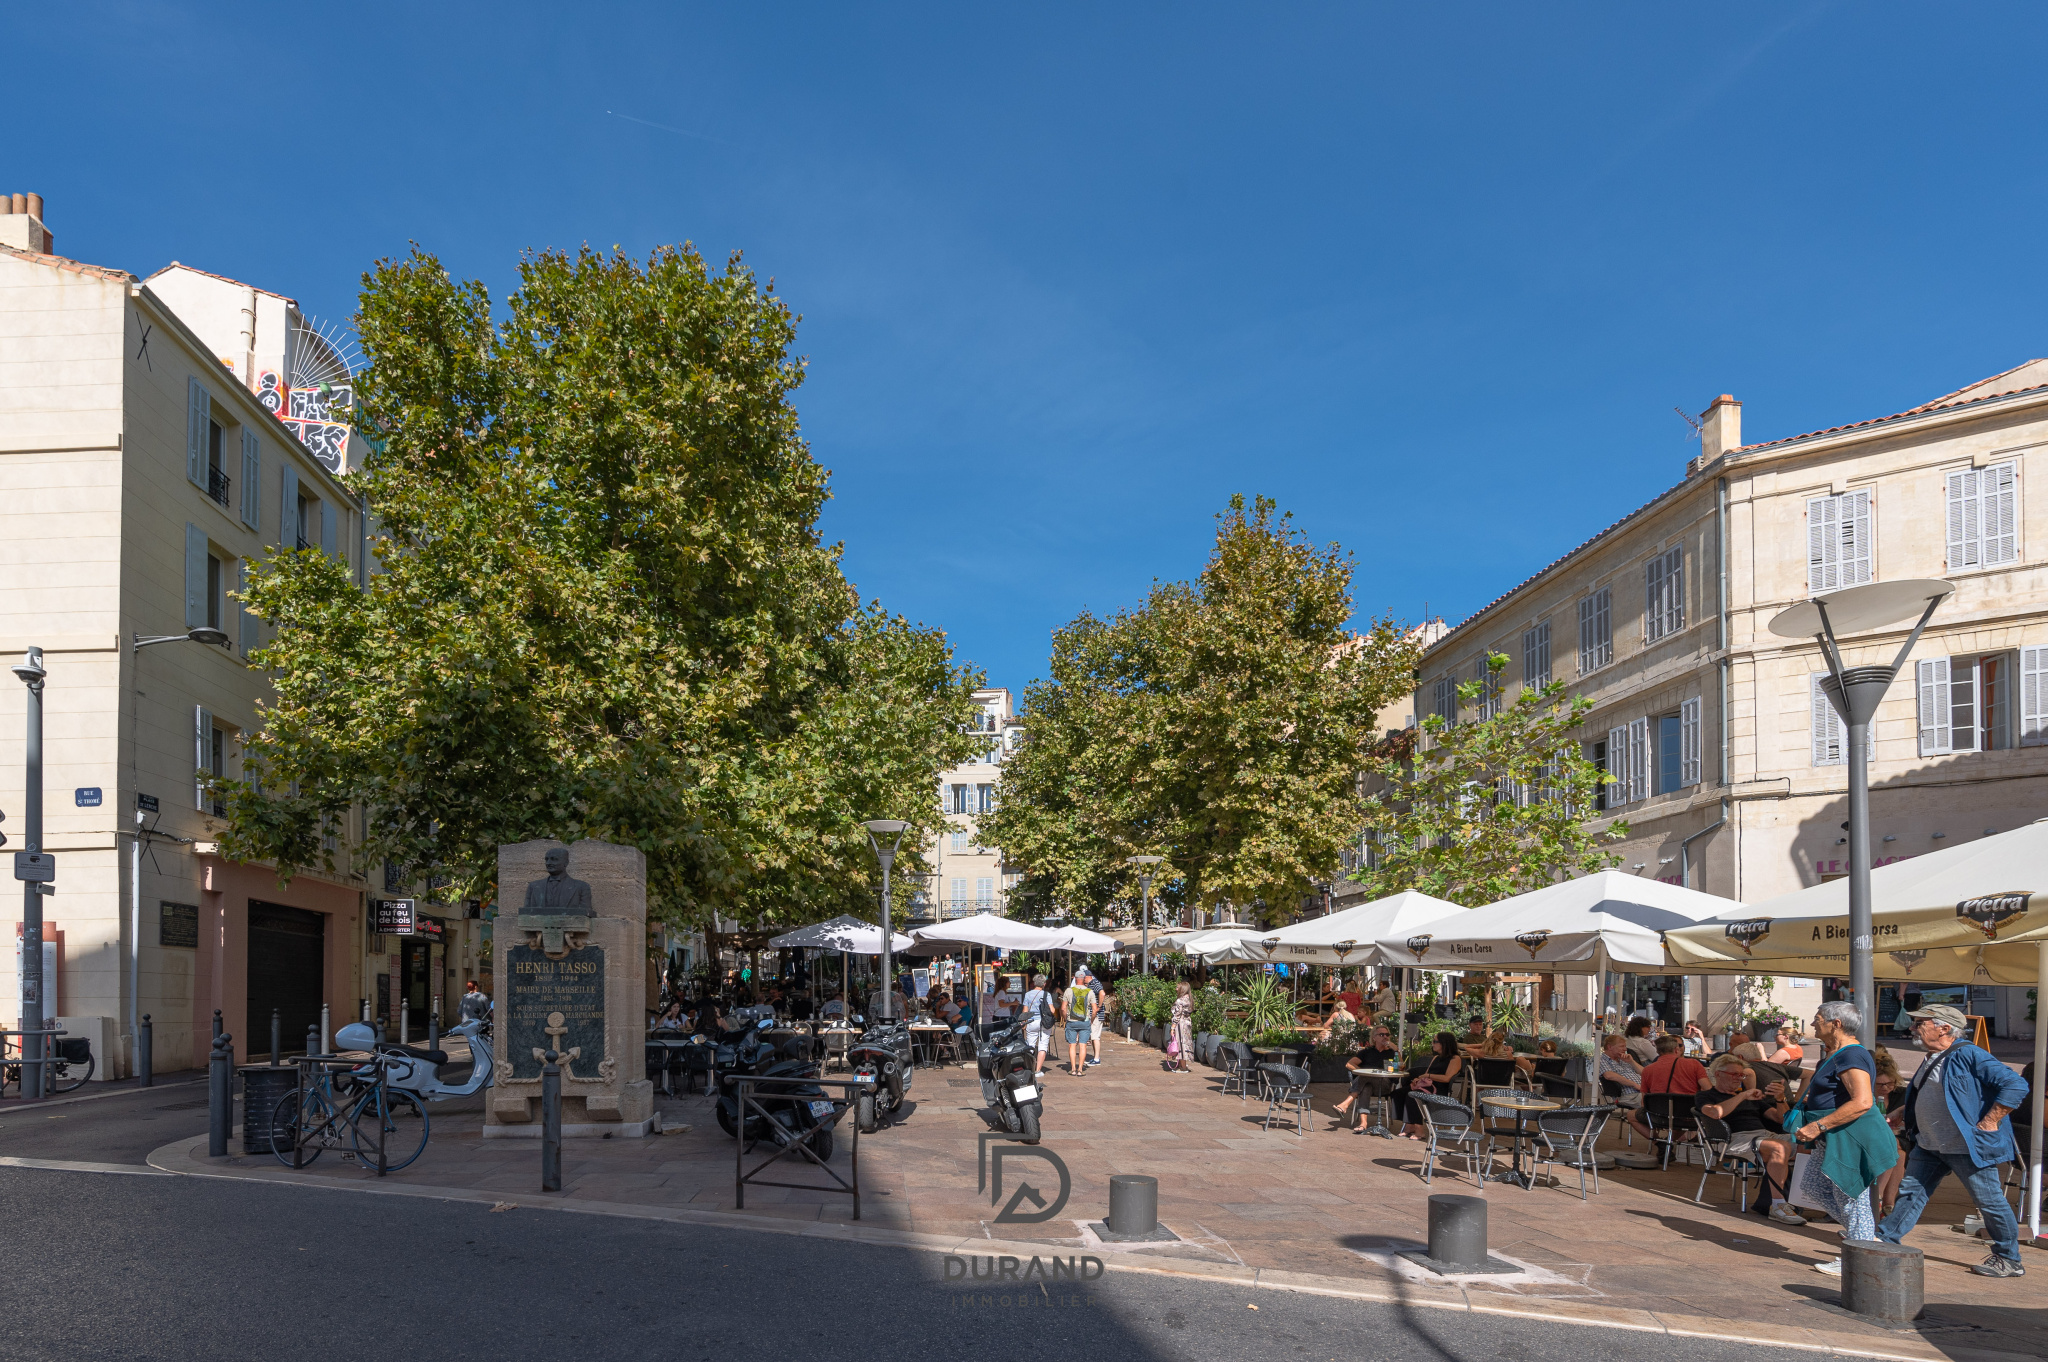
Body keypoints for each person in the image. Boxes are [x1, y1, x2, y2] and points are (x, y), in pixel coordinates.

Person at [1876, 1003, 2032, 1279]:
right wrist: (1904, 1111)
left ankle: (2009, 1258)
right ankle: (1884, 1240)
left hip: (1966, 1146)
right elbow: (1933, 1093)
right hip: (1931, 1143)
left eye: (1920, 1023)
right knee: (1911, 1193)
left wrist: (1991, 1120)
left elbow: (2016, 1085)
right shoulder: (1931, 1056)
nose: (1913, 1028)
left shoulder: (1969, 1053)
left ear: (1944, 1028)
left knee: (1989, 1201)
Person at [1787, 1001, 1896, 1279]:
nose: (1813, 1024)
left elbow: (1862, 1101)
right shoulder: (1834, 1054)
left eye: (1818, 1019)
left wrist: (1819, 1126)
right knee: (1813, 1186)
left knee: (1850, 1196)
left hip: (1849, 1135)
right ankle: (1865, 1239)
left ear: (1836, 1024)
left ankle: (1857, 1256)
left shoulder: (1851, 1055)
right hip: (1834, 1135)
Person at [1695, 1059, 1802, 1224]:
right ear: (1718, 1074)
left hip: (1763, 1135)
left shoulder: (1752, 1097)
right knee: (1779, 1148)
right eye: (1734, 1074)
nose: (1738, 1078)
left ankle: (1802, 1200)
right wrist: (1743, 1095)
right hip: (1734, 1139)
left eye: (1741, 1075)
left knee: (1810, 1145)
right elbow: (1715, 1113)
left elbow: (1780, 1119)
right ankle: (1778, 1205)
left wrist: (1780, 1098)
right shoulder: (1706, 1095)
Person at [1633, 1034, 1711, 1144]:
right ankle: (1669, 1142)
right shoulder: (1694, 1064)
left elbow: (1644, 1101)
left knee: (1631, 1116)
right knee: (1681, 1111)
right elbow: (1709, 1089)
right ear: (1676, 1049)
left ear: (1658, 1051)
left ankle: (1659, 1143)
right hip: (1689, 1117)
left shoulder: (1648, 1070)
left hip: (1658, 1116)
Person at [1399, 1031, 1464, 1139]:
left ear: (1444, 1043)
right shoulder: (1435, 1058)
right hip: (1427, 1086)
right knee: (1399, 1093)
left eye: (1435, 1041)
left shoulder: (1455, 1059)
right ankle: (1409, 1125)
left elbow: (1447, 1078)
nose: (1432, 1044)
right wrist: (1418, 1079)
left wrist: (1428, 1075)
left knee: (1414, 1095)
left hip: (1439, 1089)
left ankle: (1419, 1130)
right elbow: (1426, 1075)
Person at [1338, 1024, 1401, 1133]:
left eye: (1387, 1035)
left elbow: (1401, 1067)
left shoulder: (1391, 1053)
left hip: (1385, 1084)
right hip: (1366, 1084)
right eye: (1382, 1034)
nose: (1385, 1037)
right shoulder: (1367, 1052)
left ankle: (1346, 1103)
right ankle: (1363, 1123)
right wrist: (1361, 1071)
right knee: (1366, 1087)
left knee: (1365, 1077)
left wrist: (1396, 1050)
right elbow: (1349, 1064)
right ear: (1374, 1038)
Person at [1062, 972, 1097, 1077]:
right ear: (1084, 978)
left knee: (1072, 1045)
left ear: (1075, 978)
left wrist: (1065, 1019)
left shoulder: (1068, 991)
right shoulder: (1090, 992)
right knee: (1083, 1045)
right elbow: (1094, 1009)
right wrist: (1091, 1020)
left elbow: (1063, 1008)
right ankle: (1080, 1069)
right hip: (1085, 1021)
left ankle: (1073, 1069)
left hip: (1071, 1021)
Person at [1021, 973, 1053, 1076]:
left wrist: (1024, 1023)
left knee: (1030, 1045)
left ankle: (1029, 1068)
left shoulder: (1028, 994)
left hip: (1031, 1022)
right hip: (1044, 1022)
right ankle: (1038, 1070)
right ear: (1044, 983)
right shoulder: (1047, 994)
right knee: (1043, 1045)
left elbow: (1025, 1010)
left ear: (1034, 983)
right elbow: (1052, 1010)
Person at [1169, 981, 1194, 1074]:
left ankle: (1183, 1067)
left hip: (1180, 1024)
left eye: (1177, 987)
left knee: (1180, 1044)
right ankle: (1181, 1065)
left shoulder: (1180, 1001)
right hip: (1187, 1023)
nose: (1176, 989)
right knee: (1185, 1043)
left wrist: (1172, 1027)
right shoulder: (1189, 999)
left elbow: (1177, 1015)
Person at [1084, 968, 1107, 1067]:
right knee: (1093, 1036)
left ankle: (1097, 1058)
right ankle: (1095, 1057)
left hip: (1096, 1014)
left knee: (1095, 1036)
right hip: (1093, 1013)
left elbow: (1102, 993)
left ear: (1087, 977)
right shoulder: (1091, 983)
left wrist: (1099, 1007)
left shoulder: (1095, 983)